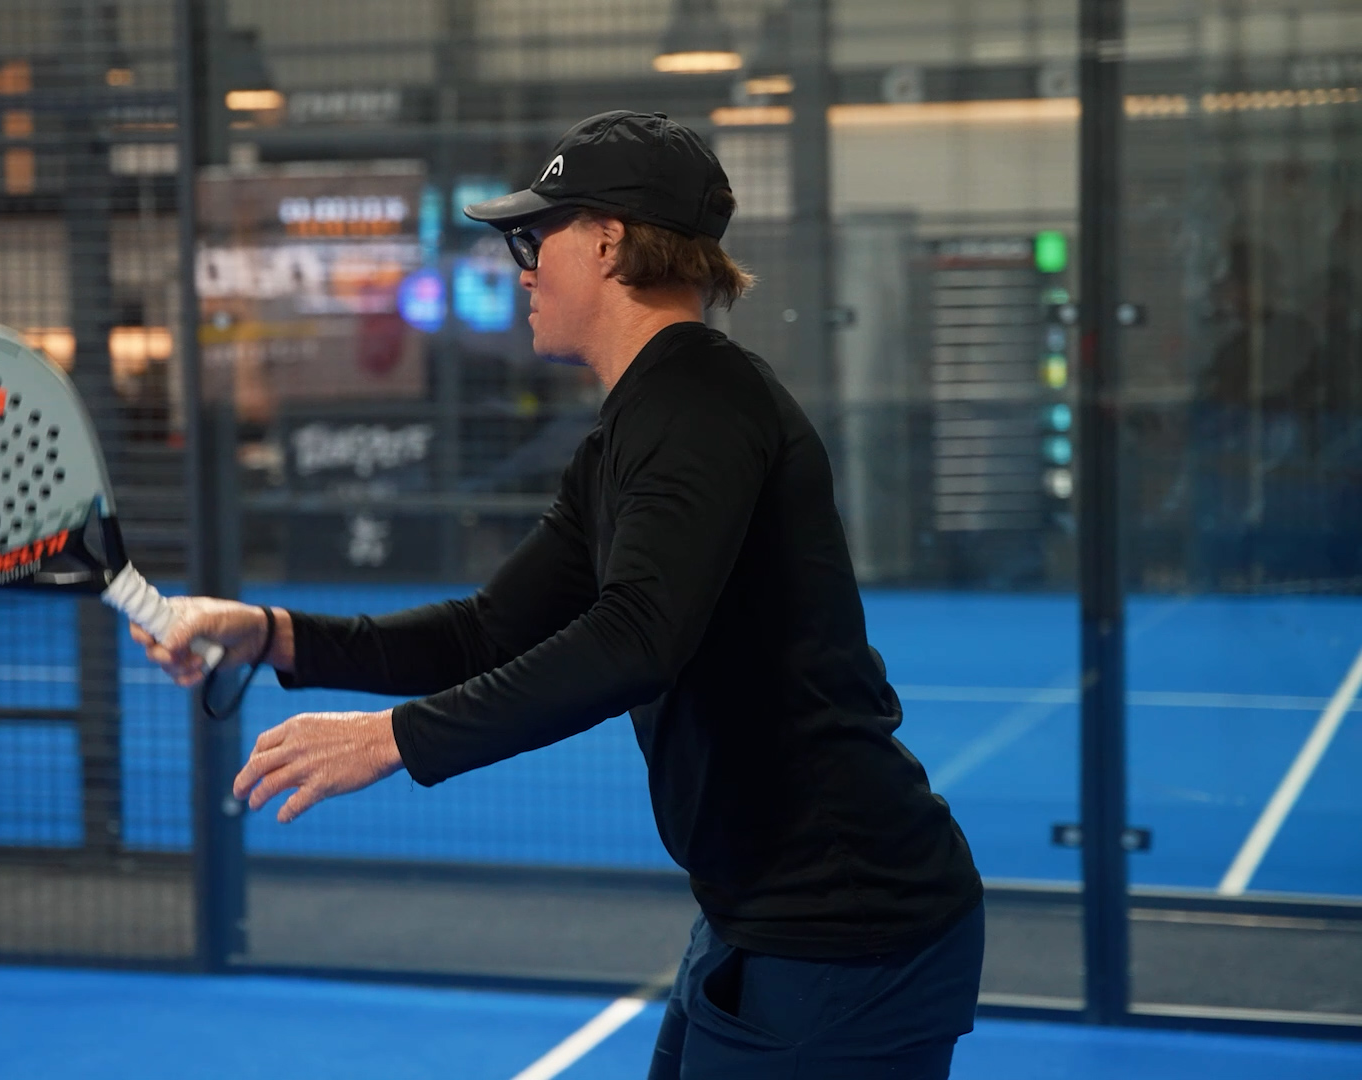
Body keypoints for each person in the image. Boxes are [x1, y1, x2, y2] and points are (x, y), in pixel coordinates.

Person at [134, 110, 984, 1078]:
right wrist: (271, 634)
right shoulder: (636, 428)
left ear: (611, 241)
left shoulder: (702, 405)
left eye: (536, 237)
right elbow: (490, 629)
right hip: (763, 913)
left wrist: (393, 739)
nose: (521, 265)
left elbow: (636, 640)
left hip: (846, 926)